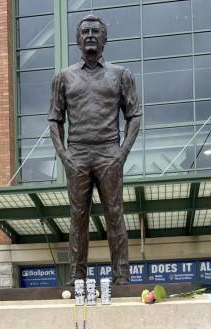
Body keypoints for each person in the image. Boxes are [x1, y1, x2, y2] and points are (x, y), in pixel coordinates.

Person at [48, 14, 142, 284]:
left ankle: (122, 275)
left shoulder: (121, 75)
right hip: (77, 153)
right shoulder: (63, 77)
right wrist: (64, 156)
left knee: (115, 214)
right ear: (77, 39)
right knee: (77, 217)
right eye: (85, 31)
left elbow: (134, 115)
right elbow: (55, 119)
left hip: (108, 152)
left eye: (95, 31)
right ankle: (77, 275)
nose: (90, 35)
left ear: (105, 39)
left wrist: (122, 153)